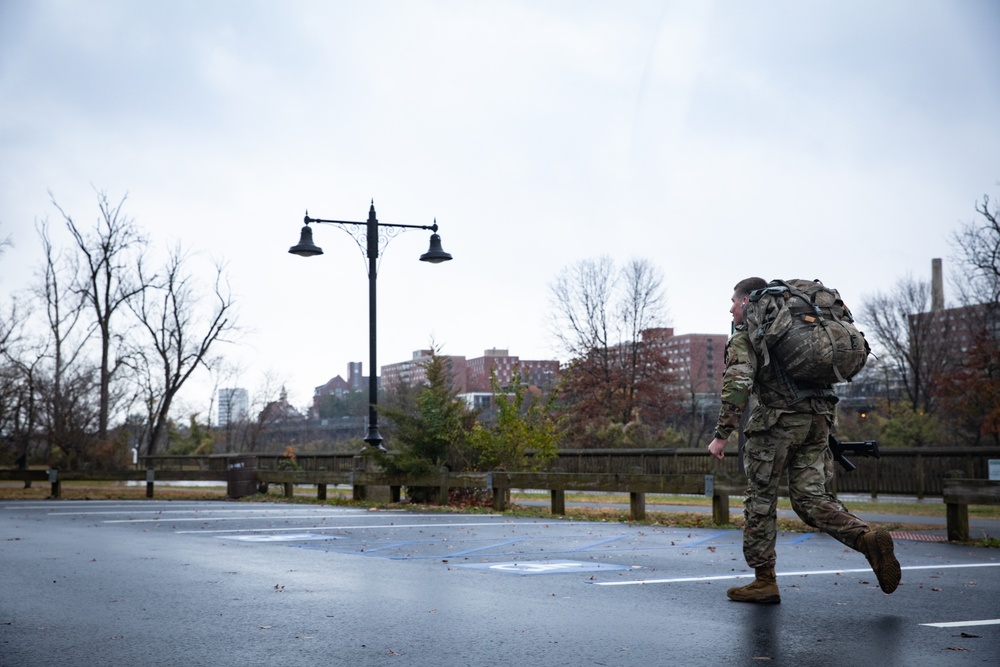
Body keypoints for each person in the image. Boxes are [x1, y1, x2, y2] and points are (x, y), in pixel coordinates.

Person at [707, 277, 900, 604]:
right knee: (811, 499)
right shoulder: (789, 327)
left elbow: (737, 384)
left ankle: (763, 580)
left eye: (732, 301)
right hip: (819, 421)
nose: (729, 308)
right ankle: (866, 538)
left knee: (760, 501)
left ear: (744, 301)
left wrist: (721, 435)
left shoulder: (750, 333)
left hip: (777, 425)